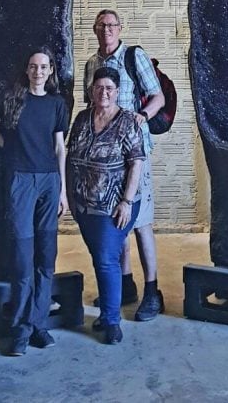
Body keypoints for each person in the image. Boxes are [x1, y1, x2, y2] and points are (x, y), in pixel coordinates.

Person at [0, 48, 69, 356]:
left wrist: (62, 191)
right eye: (33, 66)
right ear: (27, 69)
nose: (38, 71)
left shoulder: (57, 103)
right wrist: (11, 149)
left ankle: (38, 325)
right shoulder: (12, 99)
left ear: (50, 71)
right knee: (23, 259)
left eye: (43, 66)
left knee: (46, 259)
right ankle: (20, 329)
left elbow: (60, 148)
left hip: (48, 181)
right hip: (20, 180)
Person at [83, 9, 165, 321]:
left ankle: (152, 290)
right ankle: (125, 283)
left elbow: (157, 97)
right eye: (101, 25)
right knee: (114, 219)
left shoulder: (134, 56)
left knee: (140, 221)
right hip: (104, 158)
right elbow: (90, 107)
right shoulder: (92, 64)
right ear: (94, 29)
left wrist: (140, 118)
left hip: (134, 153)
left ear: (120, 29)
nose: (107, 30)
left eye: (112, 25)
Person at [68, 66, 144, 344]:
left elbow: (136, 162)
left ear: (117, 92)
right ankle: (108, 314)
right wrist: (70, 196)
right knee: (100, 258)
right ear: (91, 91)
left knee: (106, 260)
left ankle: (112, 321)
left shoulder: (126, 122)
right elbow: (70, 157)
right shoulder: (81, 119)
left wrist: (126, 201)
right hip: (85, 205)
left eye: (109, 88)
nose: (103, 93)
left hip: (114, 206)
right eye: (99, 88)